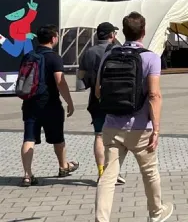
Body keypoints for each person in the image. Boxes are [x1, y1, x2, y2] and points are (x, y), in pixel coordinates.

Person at [95, 12, 174, 222]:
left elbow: (97, 92)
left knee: (108, 177)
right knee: (149, 172)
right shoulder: (150, 57)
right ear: (144, 32)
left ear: (124, 31)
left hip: (112, 125)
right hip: (140, 127)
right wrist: (156, 129)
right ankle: (156, 213)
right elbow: (154, 95)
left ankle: (101, 219)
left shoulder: (108, 55)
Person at [20, 25, 79, 187]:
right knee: (58, 138)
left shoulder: (29, 56)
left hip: (30, 103)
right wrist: (70, 102)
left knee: (29, 138)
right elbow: (60, 81)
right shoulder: (54, 57)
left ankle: (27, 175)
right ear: (53, 38)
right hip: (50, 104)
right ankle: (63, 166)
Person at [77, 22, 125, 184]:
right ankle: (114, 172)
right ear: (111, 35)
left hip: (96, 101)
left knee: (99, 135)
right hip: (117, 99)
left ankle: (101, 172)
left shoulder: (89, 52)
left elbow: (80, 78)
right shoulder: (117, 50)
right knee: (116, 138)